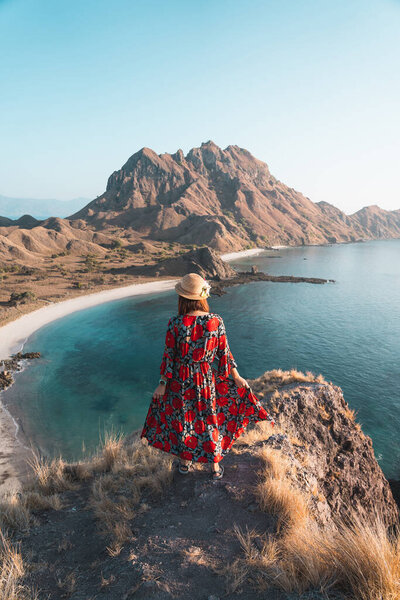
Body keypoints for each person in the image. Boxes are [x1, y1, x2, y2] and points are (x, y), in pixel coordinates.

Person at [140, 272, 274, 480]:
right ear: (202, 297)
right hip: (205, 380)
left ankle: (185, 464)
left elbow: (169, 357)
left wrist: (162, 383)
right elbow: (225, 354)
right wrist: (236, 376)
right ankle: (215, 467)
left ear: (183, 298)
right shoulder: (215, 321)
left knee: (185, 420)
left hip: (180, 380)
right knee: (209, 419)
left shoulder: (176, 323)